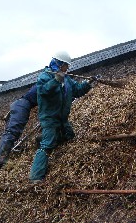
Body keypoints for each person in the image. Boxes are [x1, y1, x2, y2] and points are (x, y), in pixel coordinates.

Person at [29, 51, 94, 183]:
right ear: (59, 64)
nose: (68, 68)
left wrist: (87, 83)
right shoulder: (45, 77)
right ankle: (35, 177)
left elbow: (78, 90)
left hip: (62, 118)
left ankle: (47, 137)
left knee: (70, 135)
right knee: (47, 145)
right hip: (50, 118)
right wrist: (55, 80)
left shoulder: (67, 79)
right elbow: (43, 91)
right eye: (66, 65)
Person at [0, 84, 38, 169]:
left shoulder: (43, 82)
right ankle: (1, 157)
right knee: (13, 130)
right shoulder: (45, 84)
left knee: (13, 130)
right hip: (22, 104)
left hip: (20, 104)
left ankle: (2, 156)